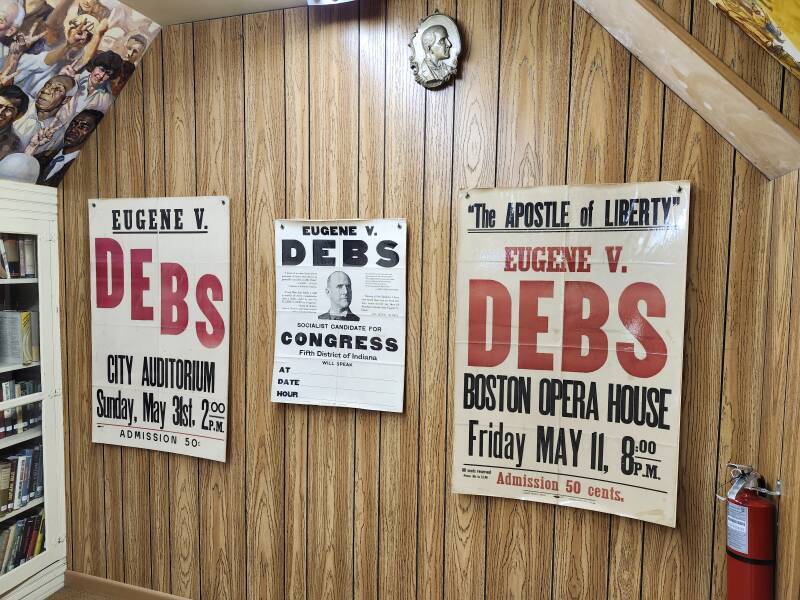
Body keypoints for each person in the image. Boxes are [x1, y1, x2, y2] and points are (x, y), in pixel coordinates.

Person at [34, 107, 101, 185]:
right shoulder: (42, 156)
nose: (73, 129)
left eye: (83, 127)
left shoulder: (86, 170)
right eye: (73, 124)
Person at [14, 74, 74, 151]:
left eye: (57, 89)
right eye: (47, 85)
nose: (45, 91)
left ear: (66, 100)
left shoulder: (56, 133)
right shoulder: (19, 101)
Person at [61, 49, 120, 118]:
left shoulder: (107, 99)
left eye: (107, 74)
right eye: (101, 69)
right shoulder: (74, 79)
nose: (101, 76)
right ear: (94, 66)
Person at [0, 84, 28, 160]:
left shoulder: (13, 145)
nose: (1, 112)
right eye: (0, 106)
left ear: (18, 116)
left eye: (9, 109)